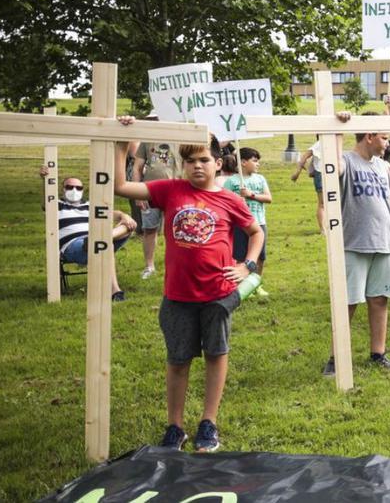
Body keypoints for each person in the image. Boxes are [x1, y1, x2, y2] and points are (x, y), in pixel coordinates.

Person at [112, 124, 263, 454]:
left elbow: (256, 233)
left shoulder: (229, 199)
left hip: (217, 296)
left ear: (218, 164)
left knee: (215, 354)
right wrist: (122, 143)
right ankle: (175, 427)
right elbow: (121, 186)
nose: (198, 166)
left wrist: (247, 265)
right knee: (178, 360)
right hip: (178, 296)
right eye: (191, 161)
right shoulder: (170, 190)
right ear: (183, 165)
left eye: (204, 160)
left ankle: (208, 422)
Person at [327, 107, 390, 375]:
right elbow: (331, 163)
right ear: (370, 136)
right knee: (347, 302)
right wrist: (337, 127)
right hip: (354, 243)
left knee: (379, 299)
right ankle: (336, 359)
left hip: (384, 241)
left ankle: (378, 354)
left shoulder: (383, 166)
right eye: (384, 138)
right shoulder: (347, 161)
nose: (387, 144)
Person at [42, 173, 134, 301]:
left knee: (129, 226)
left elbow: (115, 214)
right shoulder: (56, 205)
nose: (74, 190)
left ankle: (101, 238)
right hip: (73, 245)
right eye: (70, 187)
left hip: (93, 239)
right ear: (63, 189)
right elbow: (46, 200)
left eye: (78, 188)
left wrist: (125, 216)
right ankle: (115, 291)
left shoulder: (89, 206)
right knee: (106, 245)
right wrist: (44, 180)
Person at [223, 147, 271, 296]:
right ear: (243, 162)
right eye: (255, 161)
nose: (258, 164)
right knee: (241, 256)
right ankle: (243, 287)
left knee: (260, 257)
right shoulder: (232, 181)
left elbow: (268, 198)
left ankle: (256, 284)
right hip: (241, 225)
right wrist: (238, 200)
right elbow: (225, 201)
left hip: (259, 222)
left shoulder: (260, 179)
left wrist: (251, 195)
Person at [132, 139, 179, 279]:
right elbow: (137, 168)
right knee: (149, 229)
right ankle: (149, 266)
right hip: (149, 192)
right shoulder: (148, 140)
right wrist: (137, 193)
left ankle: (176, 266)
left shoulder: (181, 138)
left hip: (175, 191)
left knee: (176, 231)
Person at [289, 137, 325, 232]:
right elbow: (304, 157)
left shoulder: (326, 143)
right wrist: (297, 173)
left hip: (329, 174)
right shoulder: (319, 144)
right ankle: (323, 229)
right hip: (322, 174)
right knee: (322, 204)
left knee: (326, 203)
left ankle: (326, 228)